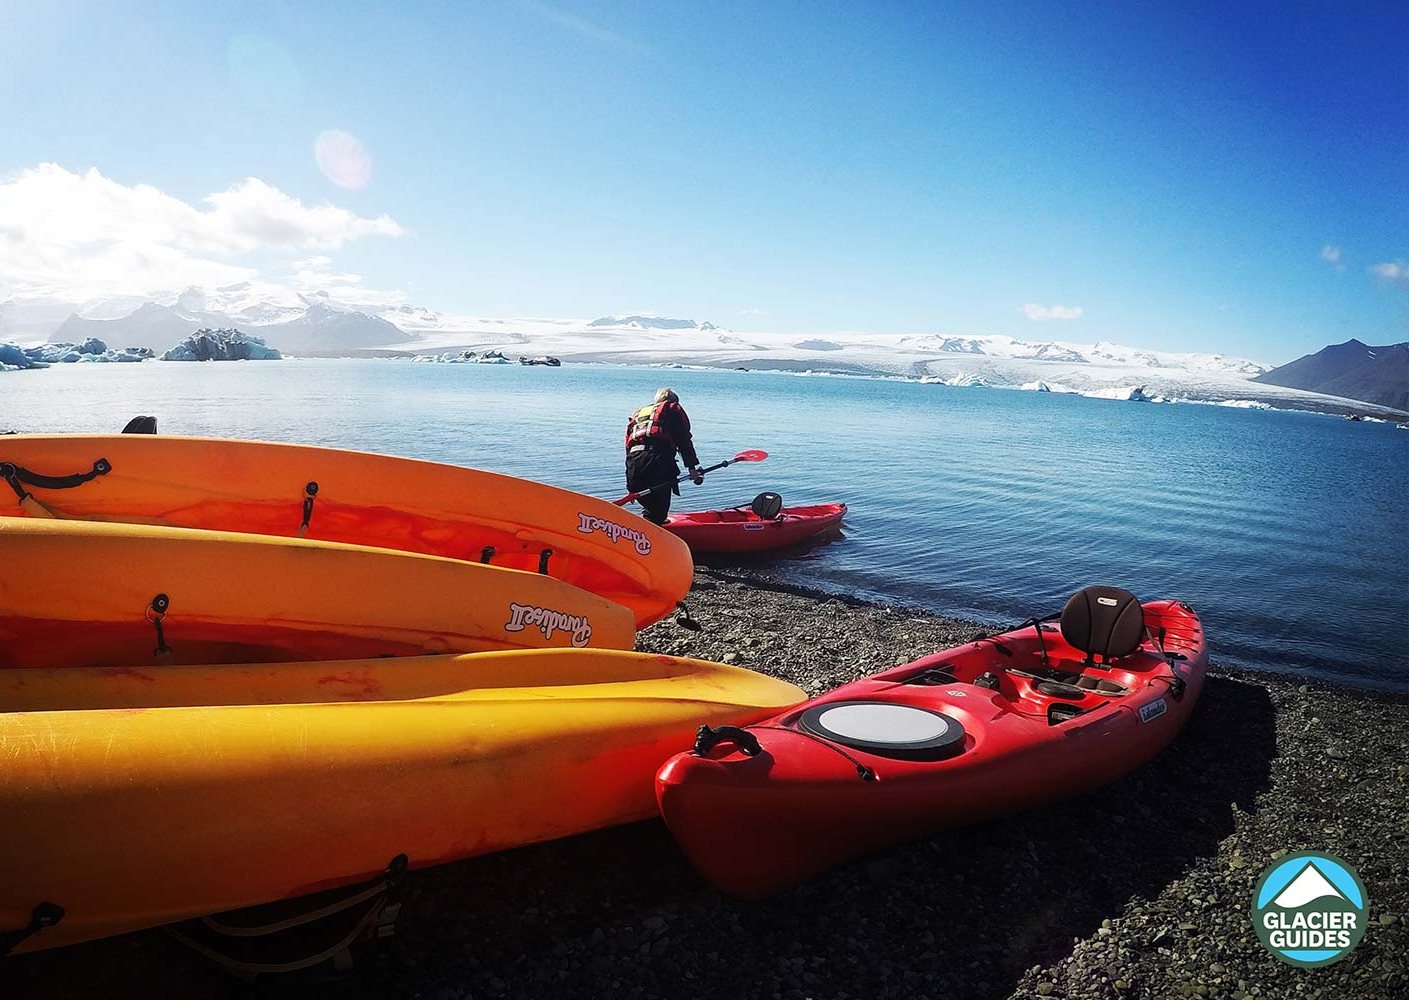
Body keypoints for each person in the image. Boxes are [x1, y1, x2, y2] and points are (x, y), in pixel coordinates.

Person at [625, 387, 702, 525]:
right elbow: (684, 441)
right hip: (657, 461)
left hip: (634, 463)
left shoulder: (639, 414)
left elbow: (628, 446)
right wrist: (692, 468)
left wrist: (630, 487)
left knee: (649, 504)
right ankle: (652, 535)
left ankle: (646, 524)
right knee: (659, 509)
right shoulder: (673, 409)